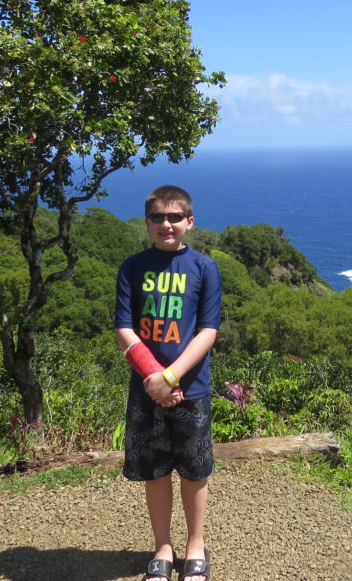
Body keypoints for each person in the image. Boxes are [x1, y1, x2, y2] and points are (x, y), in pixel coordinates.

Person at [115, 184, 221, 581]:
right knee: (155, 472)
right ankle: (162, 546)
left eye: (175, 217)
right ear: (147, 223)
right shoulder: (132, 267)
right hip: (147, 389)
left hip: (191, 389)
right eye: (157, 217)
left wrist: (171, 377)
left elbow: (208, 331)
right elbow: (123, 328)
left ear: (189, 222)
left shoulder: (205, 268)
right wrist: (154, 377)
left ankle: (195, 546)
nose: (166, 224)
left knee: (194, 472)